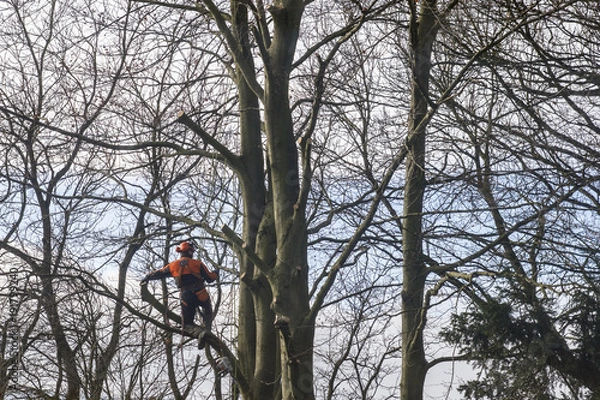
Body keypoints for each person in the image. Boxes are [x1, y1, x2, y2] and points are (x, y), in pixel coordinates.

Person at [140, 241, 218, 332]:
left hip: (186, 297)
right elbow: (210, 278)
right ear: (189, 252)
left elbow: (159, 273)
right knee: (207, 310)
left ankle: (195, 330)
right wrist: (216, 272)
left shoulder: (173, 265)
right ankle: (206, 327)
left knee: (188, 324)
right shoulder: (197, 264)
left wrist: (146, 277)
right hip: (201, 294)